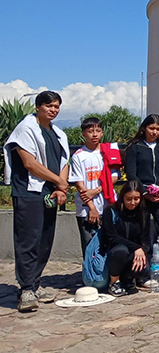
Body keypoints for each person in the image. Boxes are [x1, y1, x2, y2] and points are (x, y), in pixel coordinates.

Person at [3, 91, 70, 312]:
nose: (53, 110)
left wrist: (61, 186)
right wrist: (58, 181)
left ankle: (36, 282)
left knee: (45, 240)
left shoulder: (59, 133)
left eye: (57, 106)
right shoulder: (25, 129)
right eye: (49, 106)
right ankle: (26, 289)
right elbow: (30, 163)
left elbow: (64, 160)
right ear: (38, 106)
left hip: (50, 192)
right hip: (29, 192)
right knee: (28, 240)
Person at [124, 114, 159, 281]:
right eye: (151, 128)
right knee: (145, 234)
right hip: (142, 197)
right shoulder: (135, 147)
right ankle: (143, 272)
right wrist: (144, 192)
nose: (154, 132)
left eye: (158, 129)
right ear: (144, 128)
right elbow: (131, 173)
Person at [68, 116, 112, 257]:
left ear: (102, 133)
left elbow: (114, 177)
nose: (94, 134)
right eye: (90, 131)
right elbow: (80, 185)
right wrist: (92, 208)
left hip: (107, 206)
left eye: (98, 131)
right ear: (83, 134)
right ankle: (91, 276)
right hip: (86, 209)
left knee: (109, 244)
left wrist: (97, 190)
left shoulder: (107, 152)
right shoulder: (78, 156)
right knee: (89, 247)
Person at [102, 181, 151, 297]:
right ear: (122, 197)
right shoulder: (110, 211)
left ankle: (129, 279)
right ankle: (114, 282)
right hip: (115, 252)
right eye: (129, 199)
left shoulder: (143, 213)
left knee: (143, 267)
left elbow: (146, 240)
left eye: (136, 199)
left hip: (134, 254)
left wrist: (142, 250)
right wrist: (136, 248)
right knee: (121, 250)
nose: (133, 203)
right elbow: (111, 237)